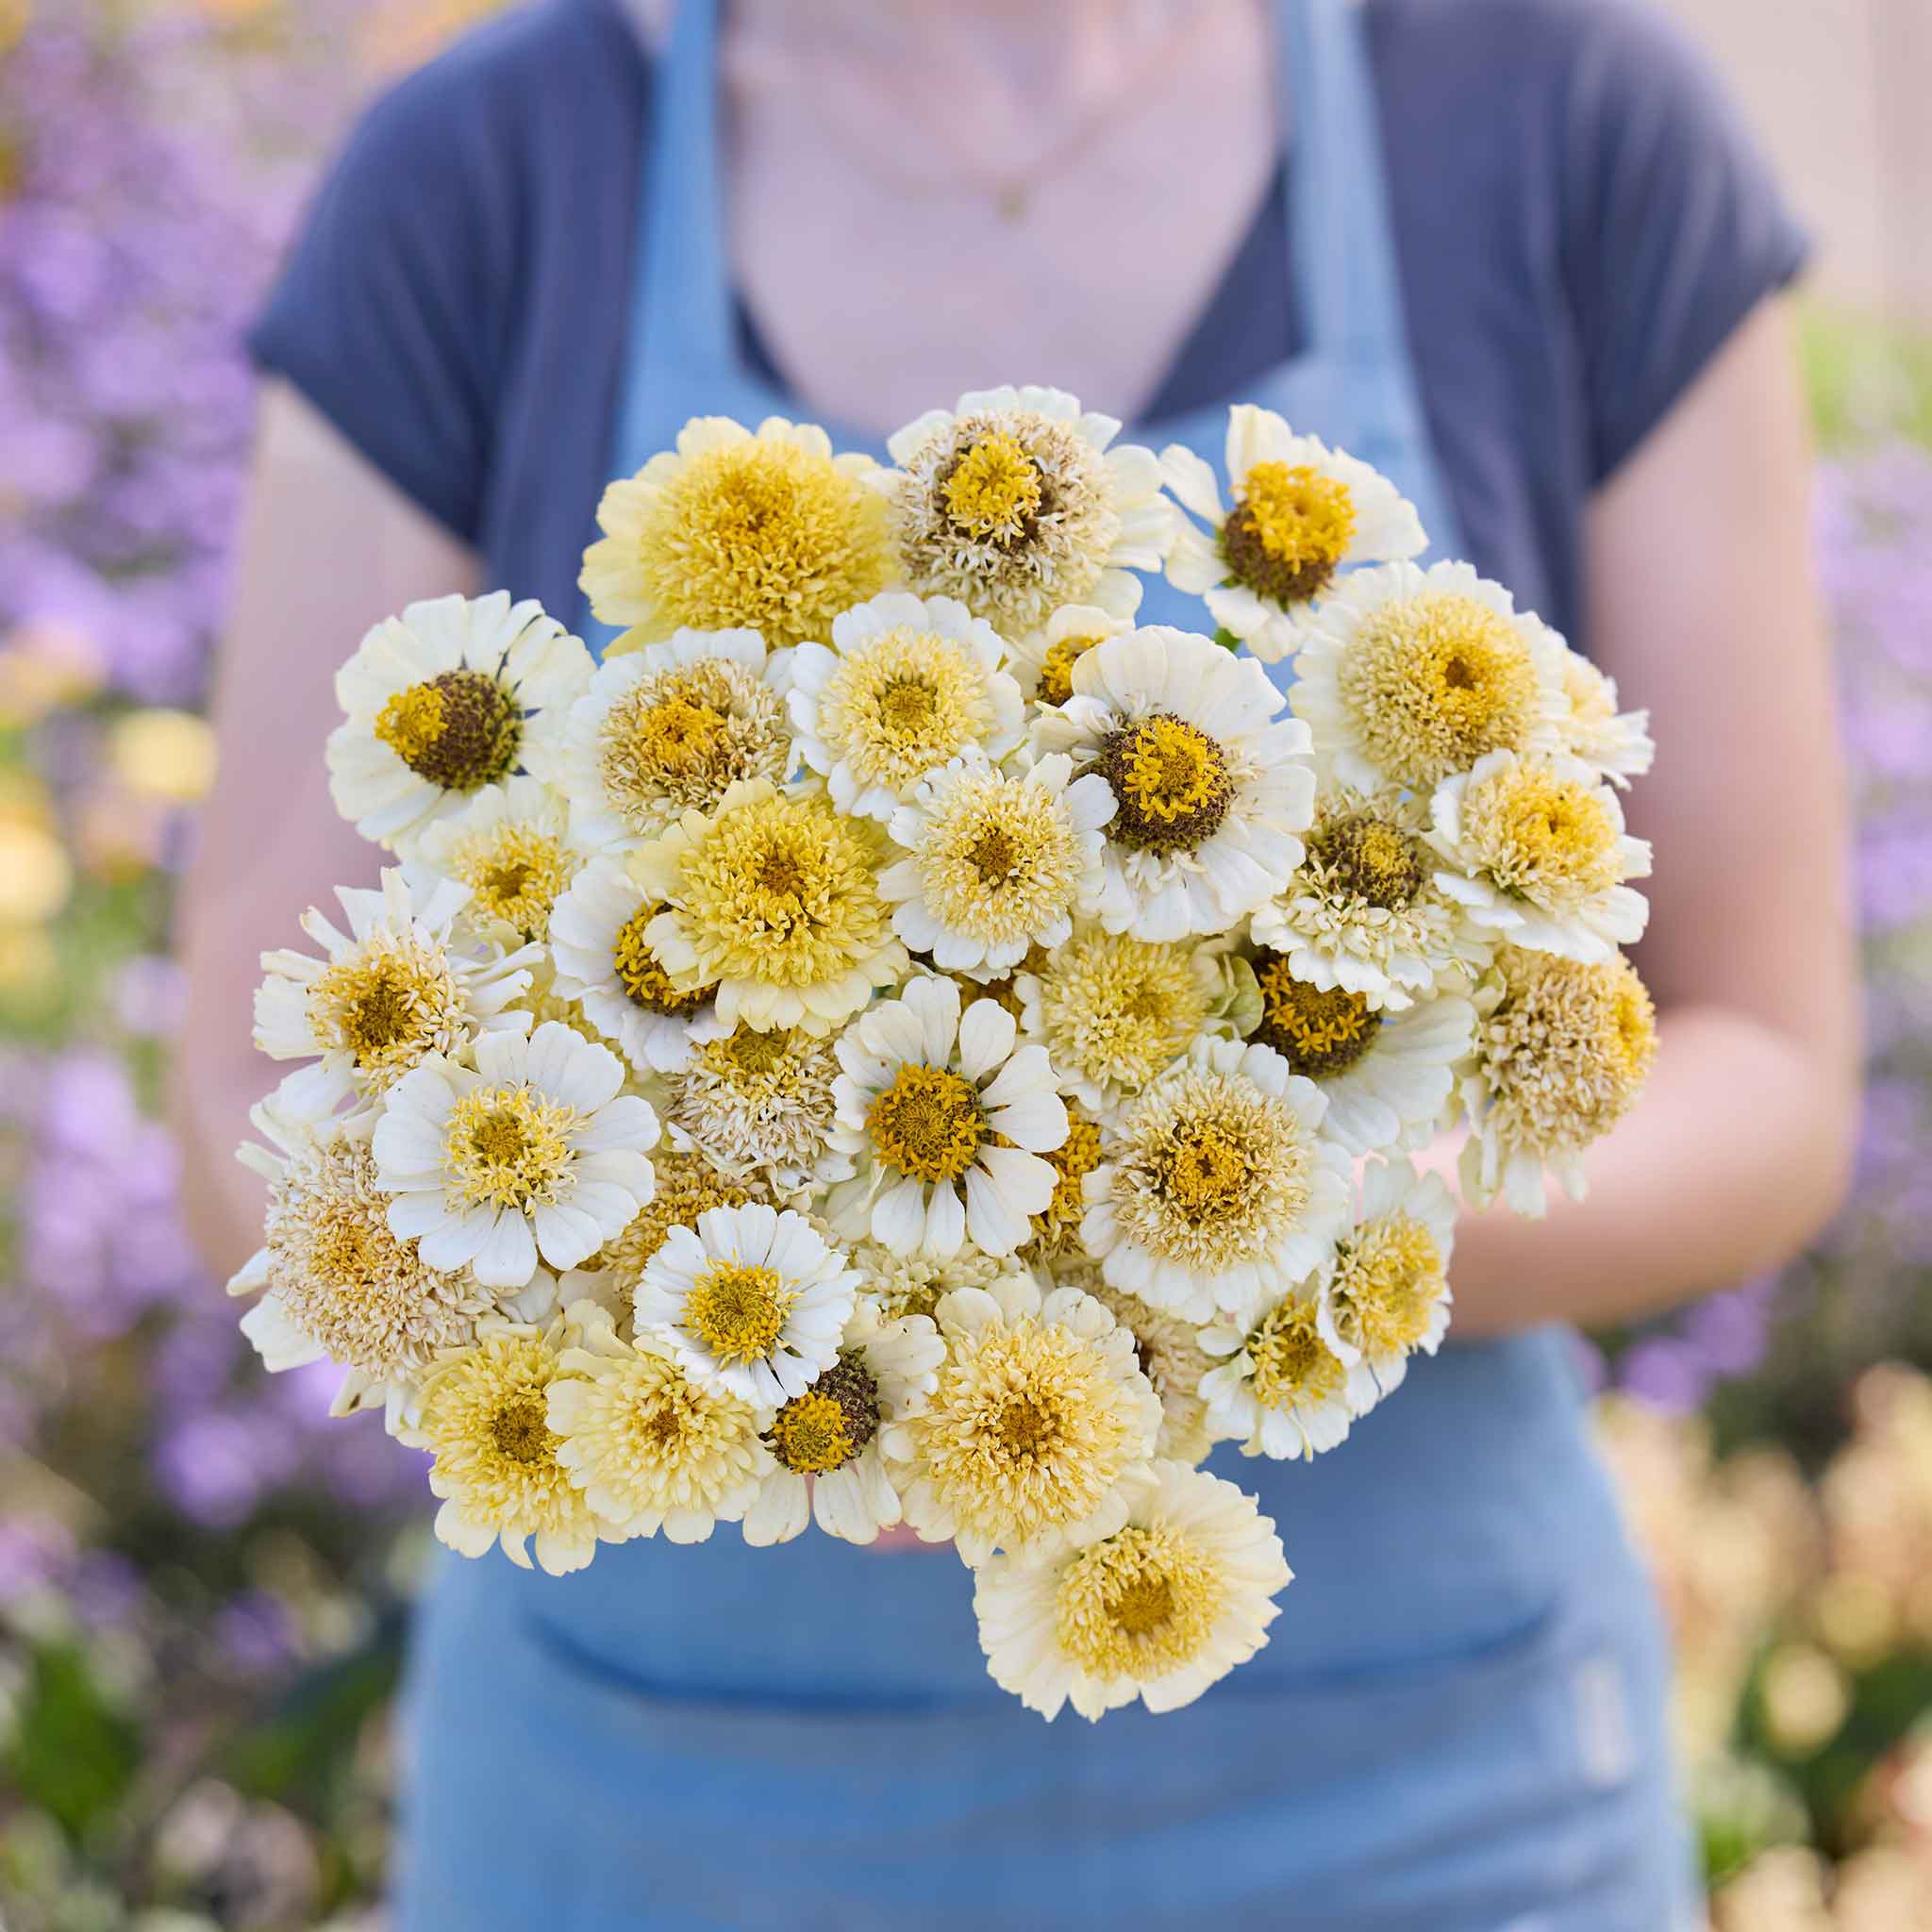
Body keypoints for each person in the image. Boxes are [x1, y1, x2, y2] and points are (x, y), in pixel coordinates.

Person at [172, 0, 1857, 1924]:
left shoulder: (1561, 124)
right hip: (665, 1805)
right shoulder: (484, 176)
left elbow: (1767, 1067)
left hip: (1422, 1797)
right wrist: (662, 1316)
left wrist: (1239, 1248)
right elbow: (257, 1086)